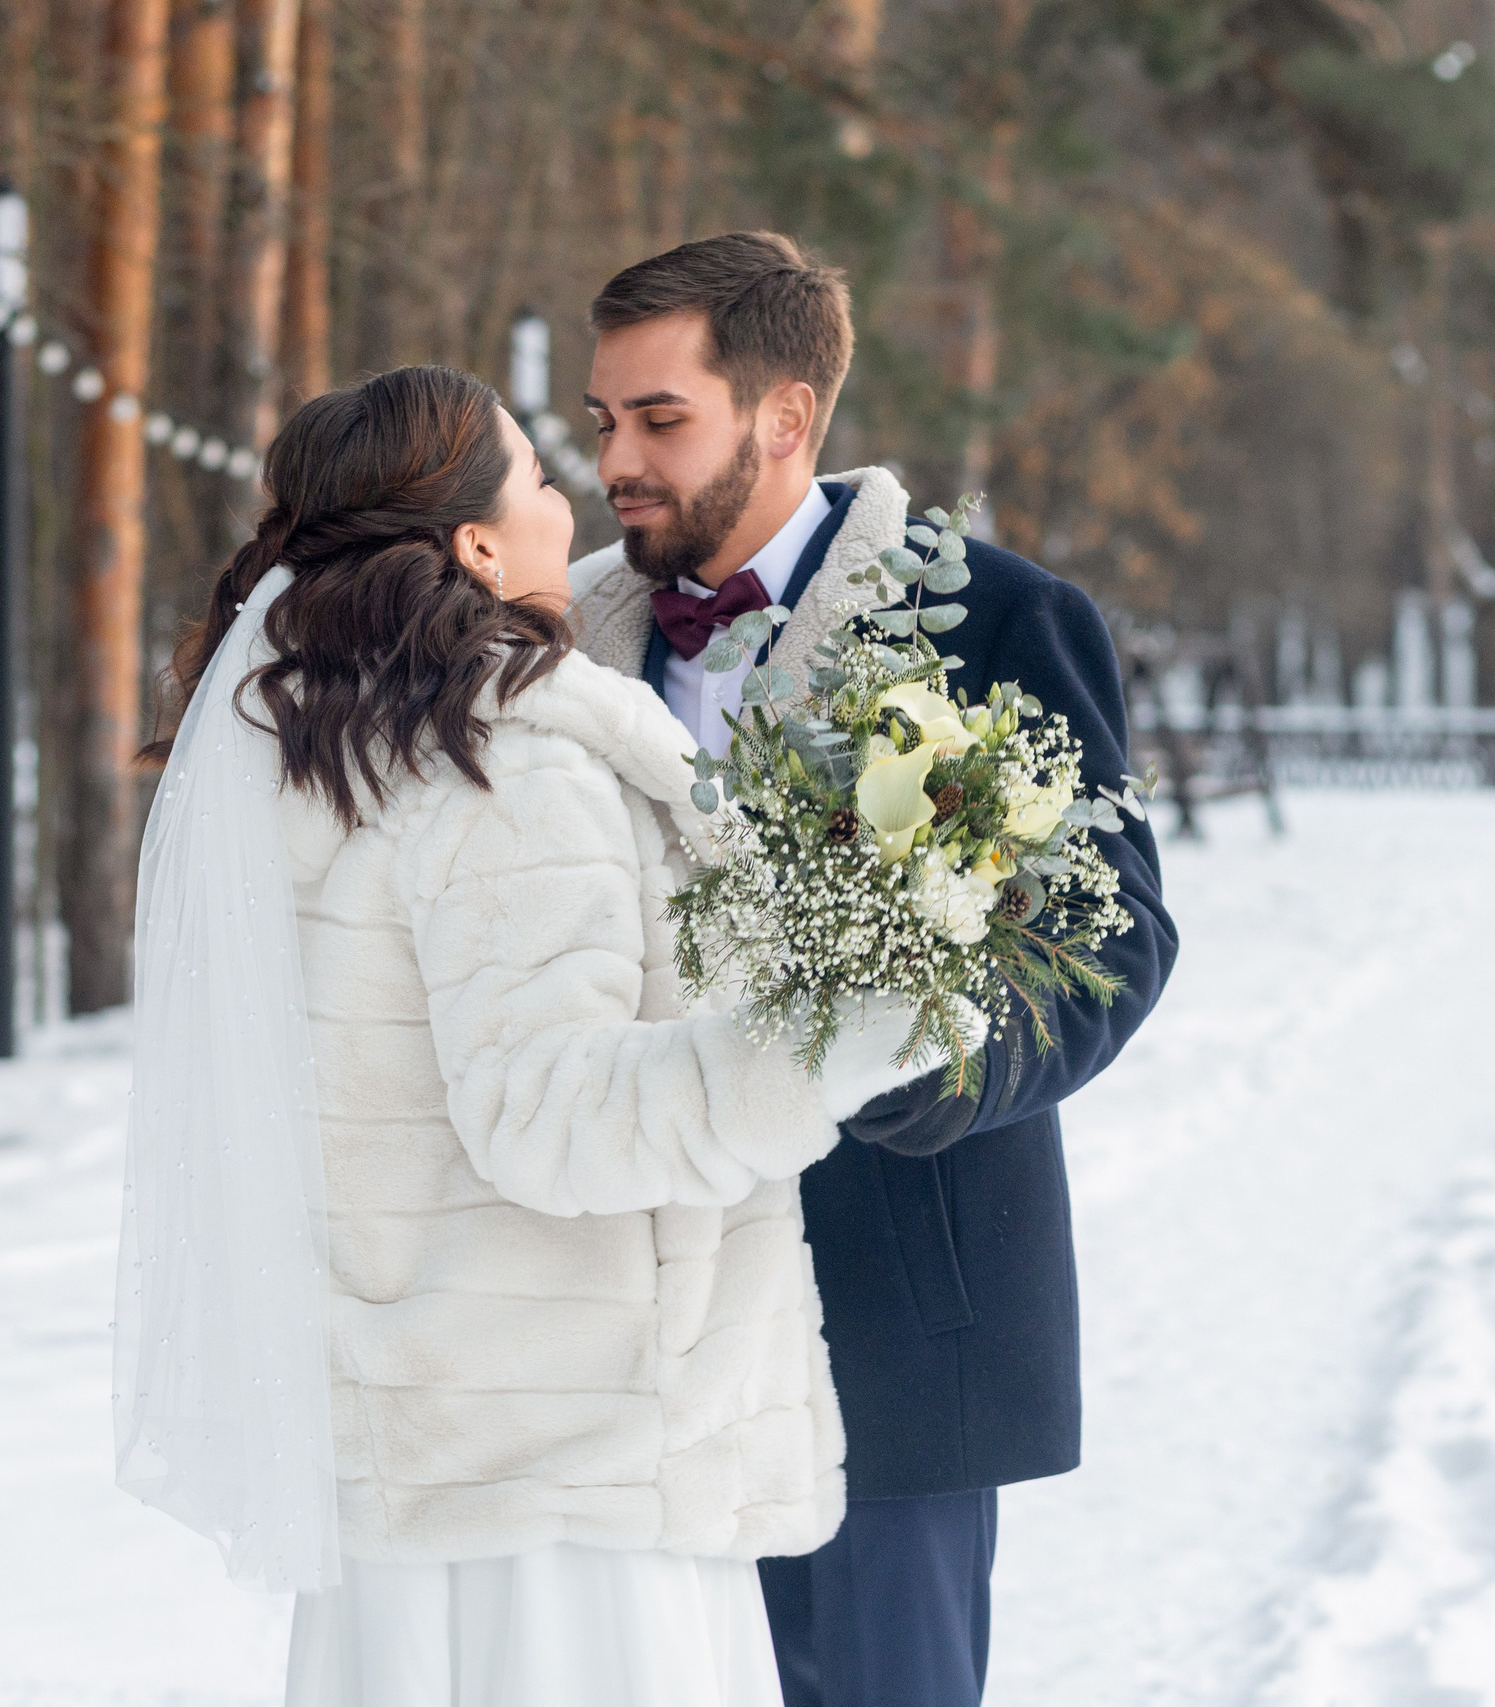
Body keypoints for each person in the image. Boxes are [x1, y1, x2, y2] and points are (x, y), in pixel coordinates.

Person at [116, 365, 917, 1707]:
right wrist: (837, 1030)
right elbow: (558, 1121)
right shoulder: (509, 762)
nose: (576, 495)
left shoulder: (324, 752)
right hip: (568, 1488)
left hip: (423, 1454)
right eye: (540, 478)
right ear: (477, 544)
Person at [571, 232, 1181, 1706]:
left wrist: (939, 1061)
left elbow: (1115, 935)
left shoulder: (995, 616)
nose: (617, 463)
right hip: (628, 1319)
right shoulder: (559, 639)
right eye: (603, 422)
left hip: (895, 1296)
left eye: (662, 420)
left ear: (784, 419)